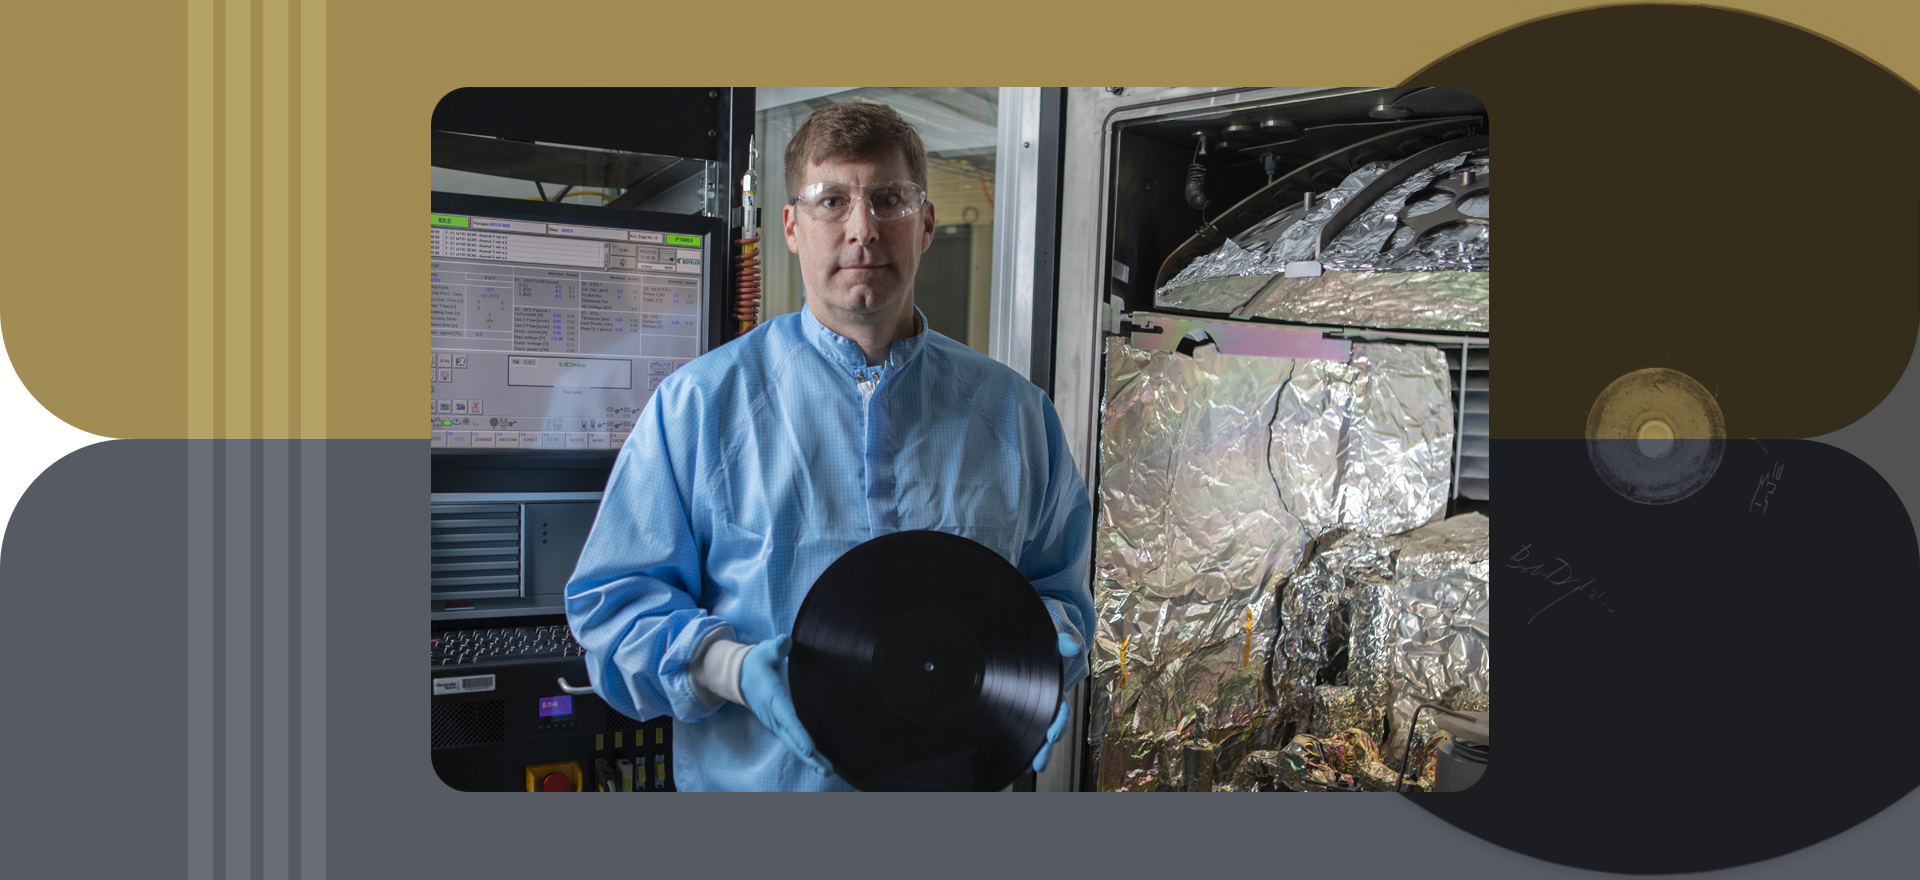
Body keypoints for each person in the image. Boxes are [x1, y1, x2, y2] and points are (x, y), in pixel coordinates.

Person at [564, 101, 1093, 791]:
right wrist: (730, 669)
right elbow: (612, 612)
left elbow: (1061, 594)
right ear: (790, 225)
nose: (862, 230)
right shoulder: (699, 407)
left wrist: (1049, 651)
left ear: (925, 222)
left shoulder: (1016, 416)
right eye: (831, 201)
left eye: (888, 200)